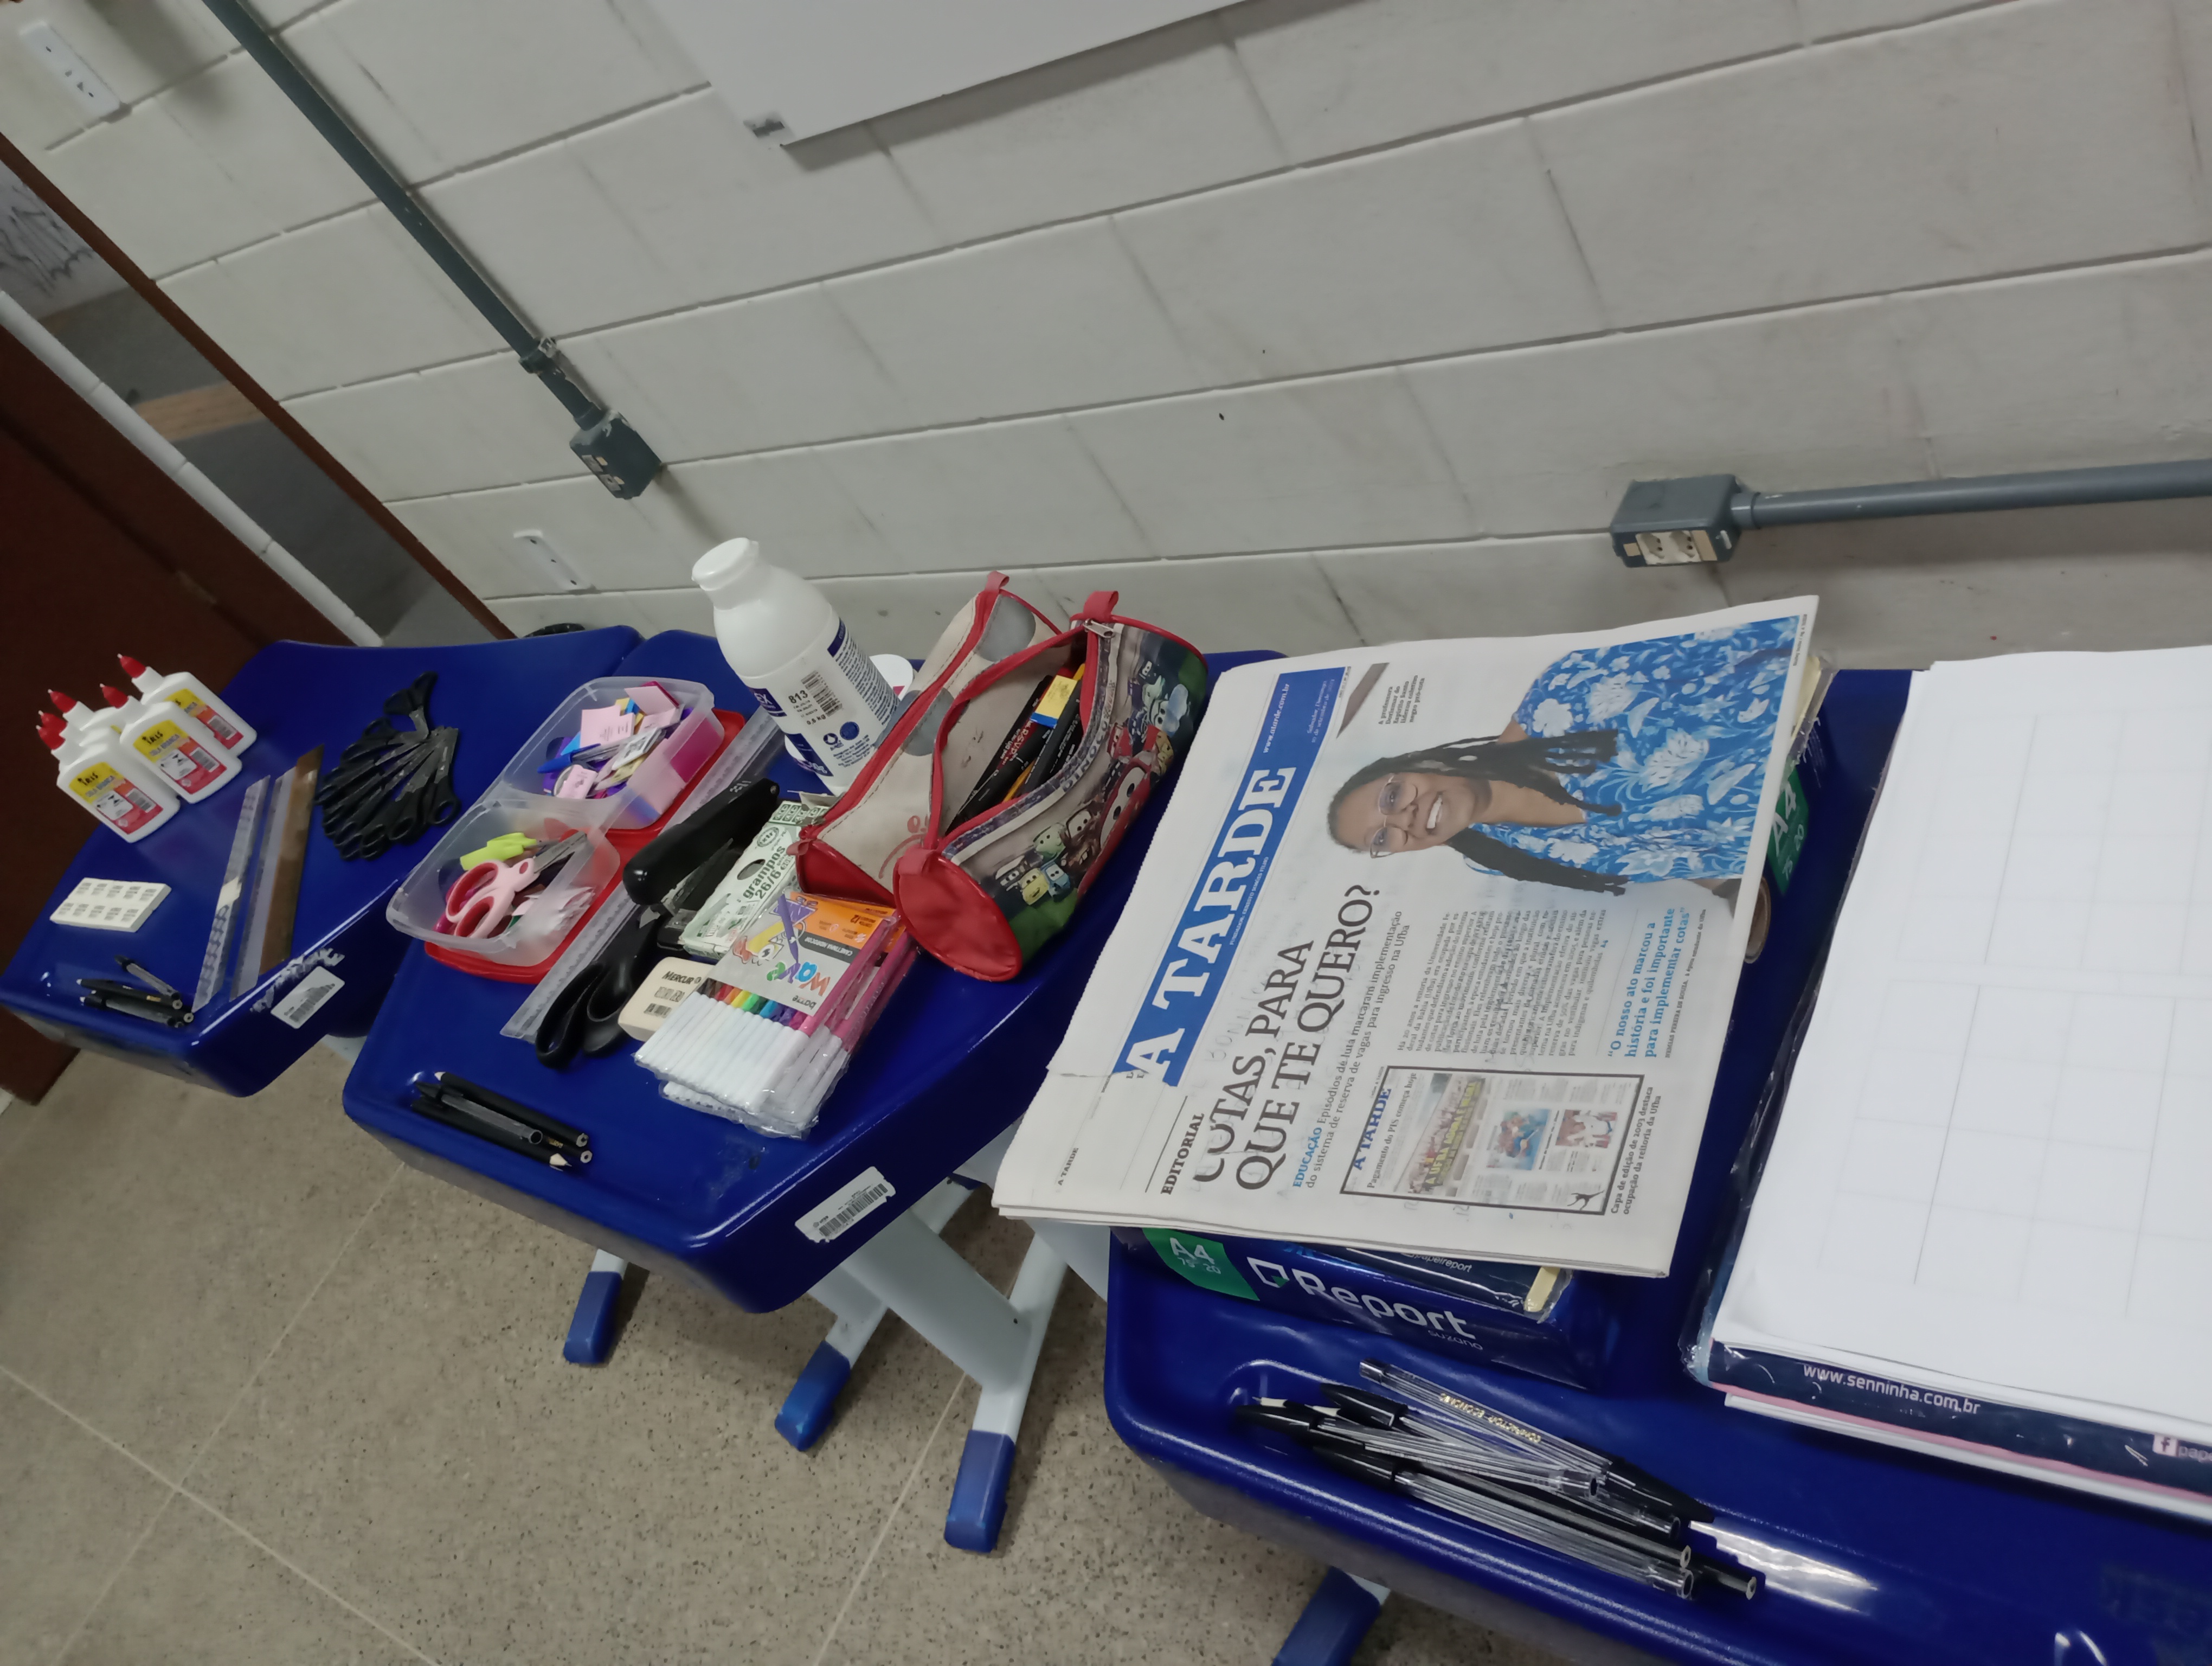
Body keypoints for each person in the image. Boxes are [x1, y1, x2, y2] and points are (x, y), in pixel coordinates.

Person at [1326, 618, 1798, 895]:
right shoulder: (1507, 858)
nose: (1403, 819)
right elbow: (1669, 855)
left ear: (1422, 764)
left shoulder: (1568, 690)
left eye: (1392, 797)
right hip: (1800, 833)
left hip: (1816, 728)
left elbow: (1758, 633)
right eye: (1383, 838)